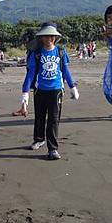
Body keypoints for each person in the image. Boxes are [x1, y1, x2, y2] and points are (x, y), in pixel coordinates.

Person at [14, 22, 79, 161]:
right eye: (45, 36)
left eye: (51, 36)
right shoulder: (36, 54)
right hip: (40, 90)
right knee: (40, 116)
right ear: (41, 38)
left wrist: (73, 87)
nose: (48, 38)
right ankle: (38, 139)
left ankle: (53, 149)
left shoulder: (61, 52)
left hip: (56, 90)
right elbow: (30, 74)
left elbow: (65, 70)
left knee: (54, 120)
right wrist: (25, 95)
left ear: (55, 37)